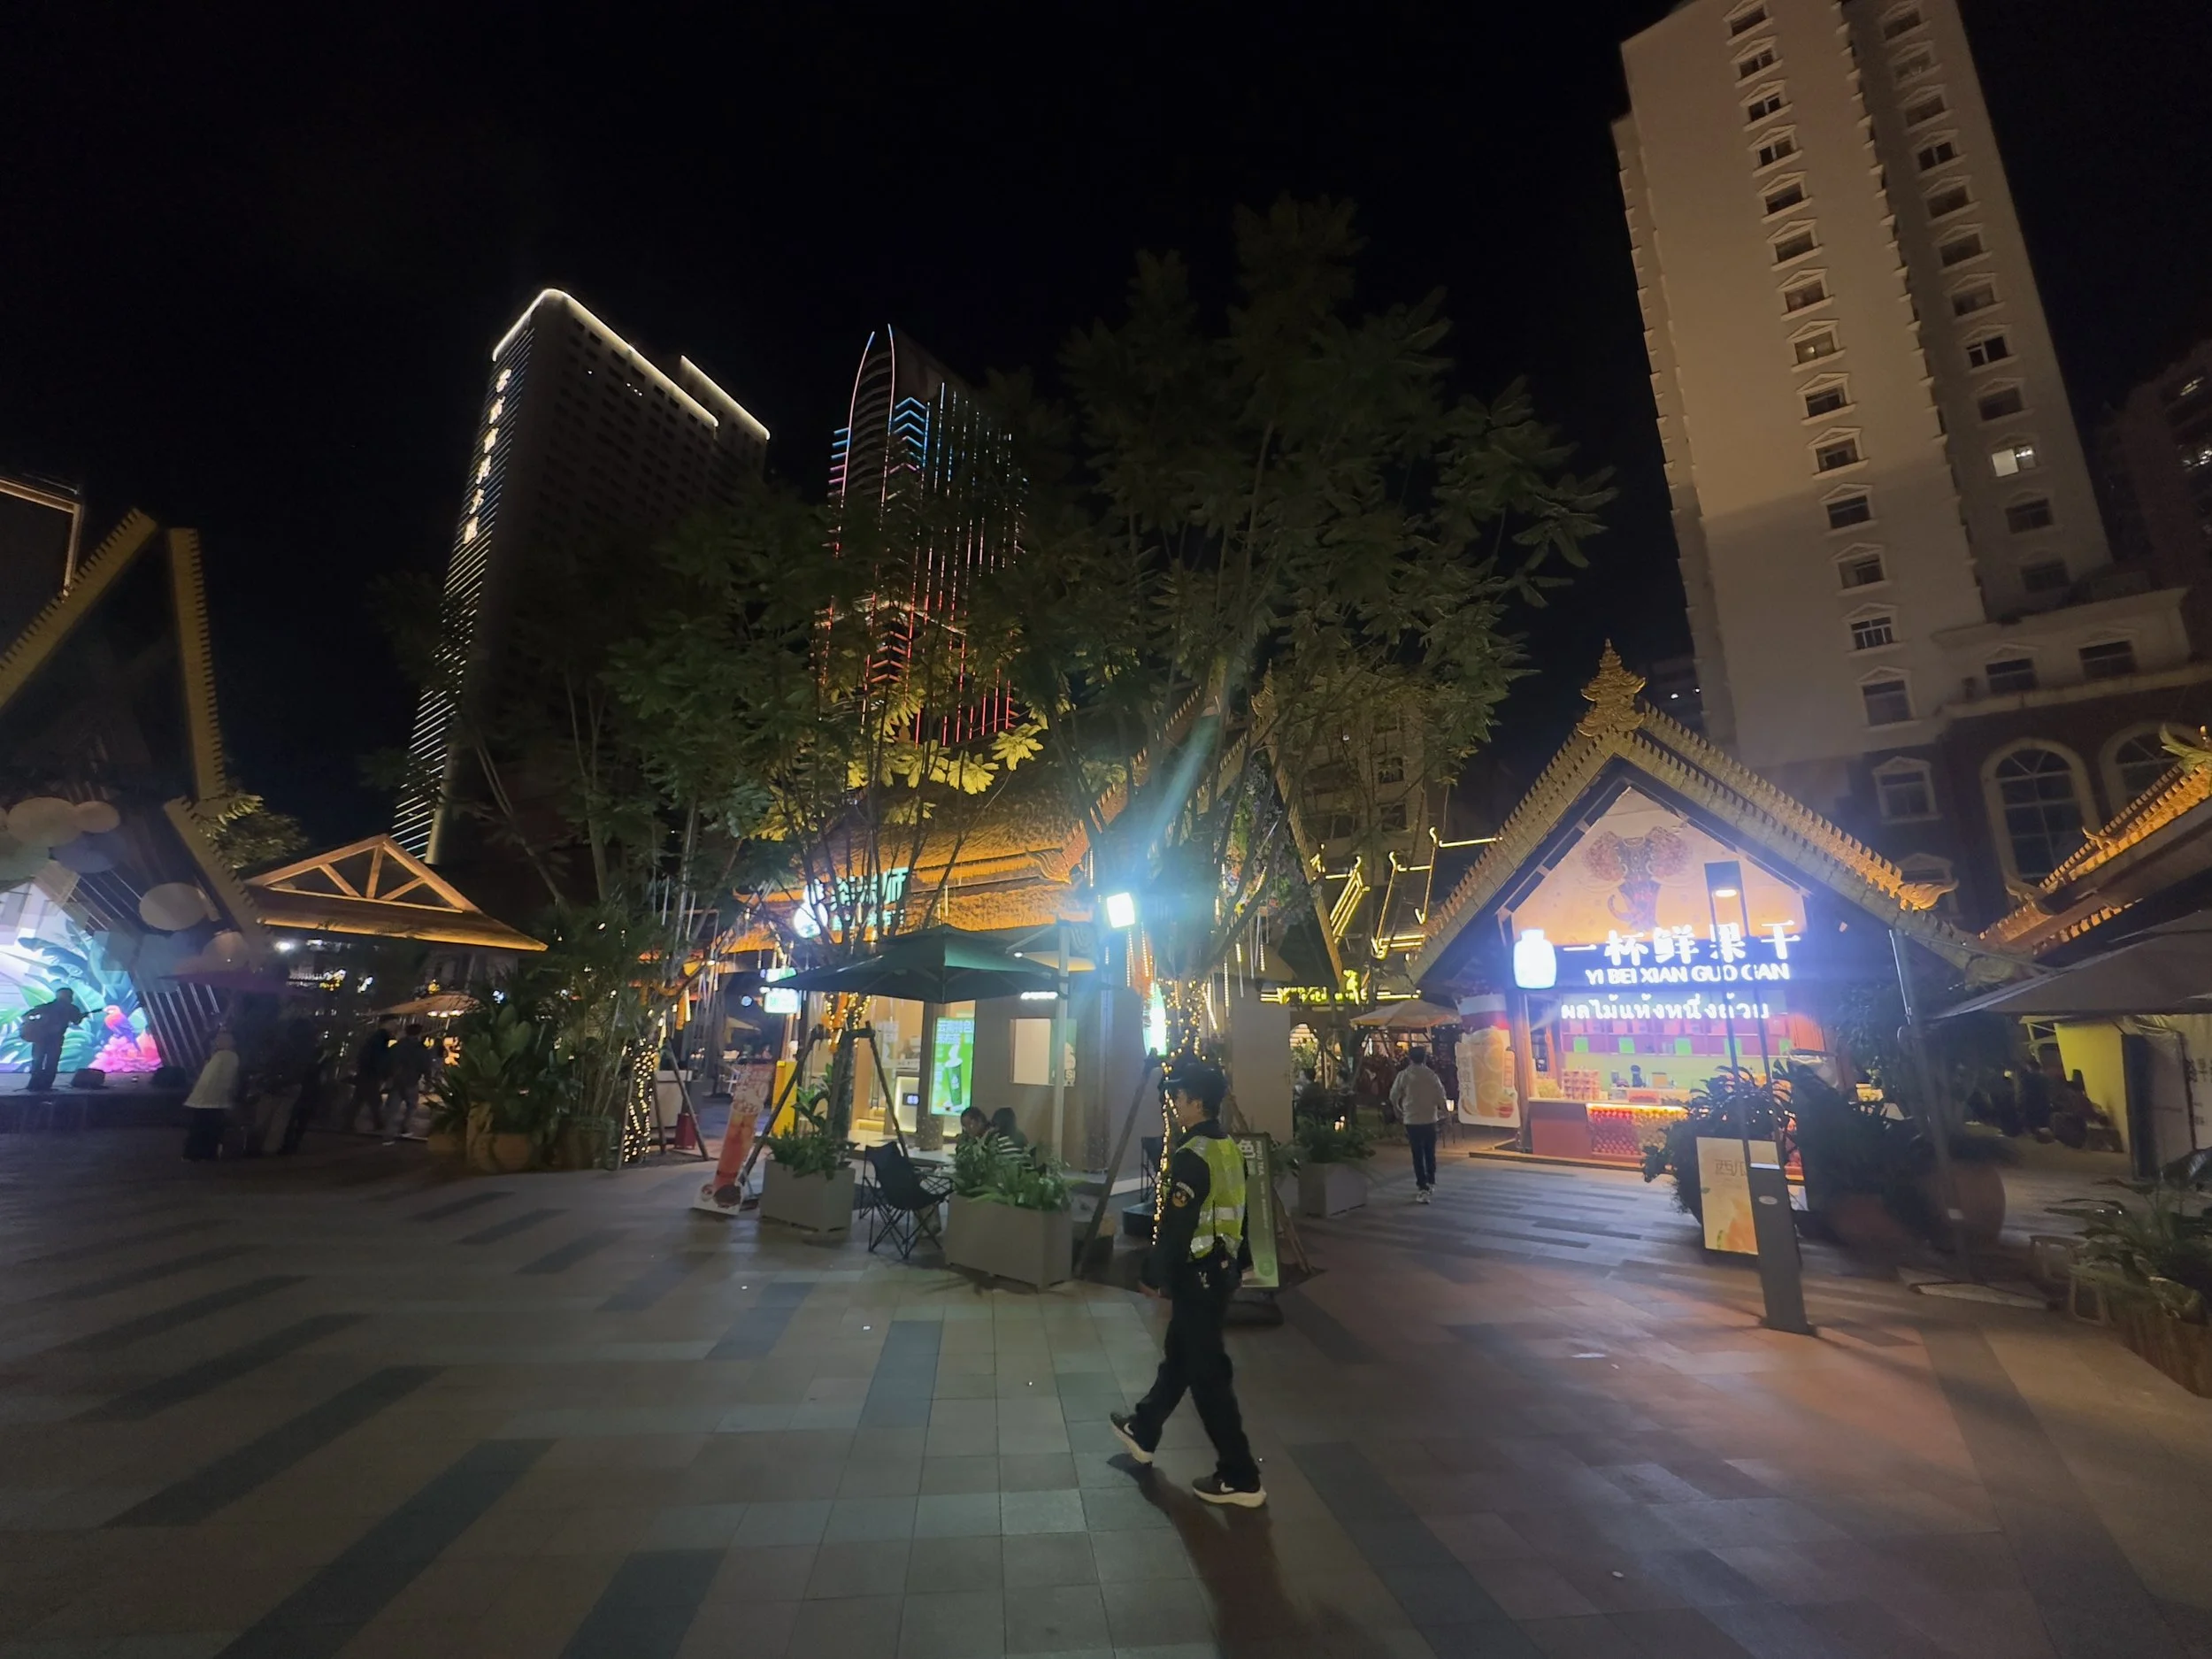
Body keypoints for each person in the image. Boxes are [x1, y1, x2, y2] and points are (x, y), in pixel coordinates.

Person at [1111, 1063, 1264, 1508]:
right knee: (1181, 1356)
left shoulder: (1192, 1153)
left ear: (1196, 1101)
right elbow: (1241, 1210)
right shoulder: (1229, 1149)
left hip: (1198, 1277)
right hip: (1219, 1275)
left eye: (1179, 1098)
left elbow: (1178, 1224)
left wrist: (1152, 1274)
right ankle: (1144, 1427)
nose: (1175, 1105)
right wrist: (1247, 1261)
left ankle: (1241, 1476)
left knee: (1208, 1376)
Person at [1391, 1045, 1448, 1202]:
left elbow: (1393, 1094)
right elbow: (1440, 1095)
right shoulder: (1431, 1075)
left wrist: (1397, 1109)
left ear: (1410, 1058)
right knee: (1430, 1152)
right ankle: (1431, 1180)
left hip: (1412, 1119)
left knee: (1417, 1154)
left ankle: (1422, 1185)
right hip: (1430, 1118)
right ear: (1425, 1058)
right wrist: (1444, 1111)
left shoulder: (1404, 1075)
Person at [182, 1029, 241, 1160]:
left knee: (201, 1127)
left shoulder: (223, 1056)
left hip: (208, 1099)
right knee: (210, 1127)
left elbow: (209, 1079)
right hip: (216, 1100)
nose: (217, 1041)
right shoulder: (228, 1056)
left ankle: (195, 1154)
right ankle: (207, 1153)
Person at [20, 989, 86, 1093]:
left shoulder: (47, 1007)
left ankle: (34, 1085)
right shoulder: (71, 1009)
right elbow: (76, 1021)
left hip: (42, 1038)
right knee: (50, 1063)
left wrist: (34, 1024)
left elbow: (26, 1016)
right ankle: (45, 1085)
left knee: (39, 1061)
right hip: (54, 1039)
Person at [380, 1022, 433, 1141]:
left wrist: (387, 1077)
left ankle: (388, 1133)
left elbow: (387, 1062)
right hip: (412, 1081)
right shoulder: (421, 1049)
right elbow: (426, 1067)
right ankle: (404, 1128)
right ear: (419, 1034)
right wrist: (428, 1083)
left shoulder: (397, 1046)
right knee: (411, 1106)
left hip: (397, 1081)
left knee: (392, 1108)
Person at [348, 1018, 397, 1131]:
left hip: (368, 1072)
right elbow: (380, 1058)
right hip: (372, 1073)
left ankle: (349, 1121)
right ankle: (378, 1123)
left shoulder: (376, 1039)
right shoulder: (381, 1040)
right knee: (372, 1100)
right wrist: (384, 1072)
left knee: (360, 1099)